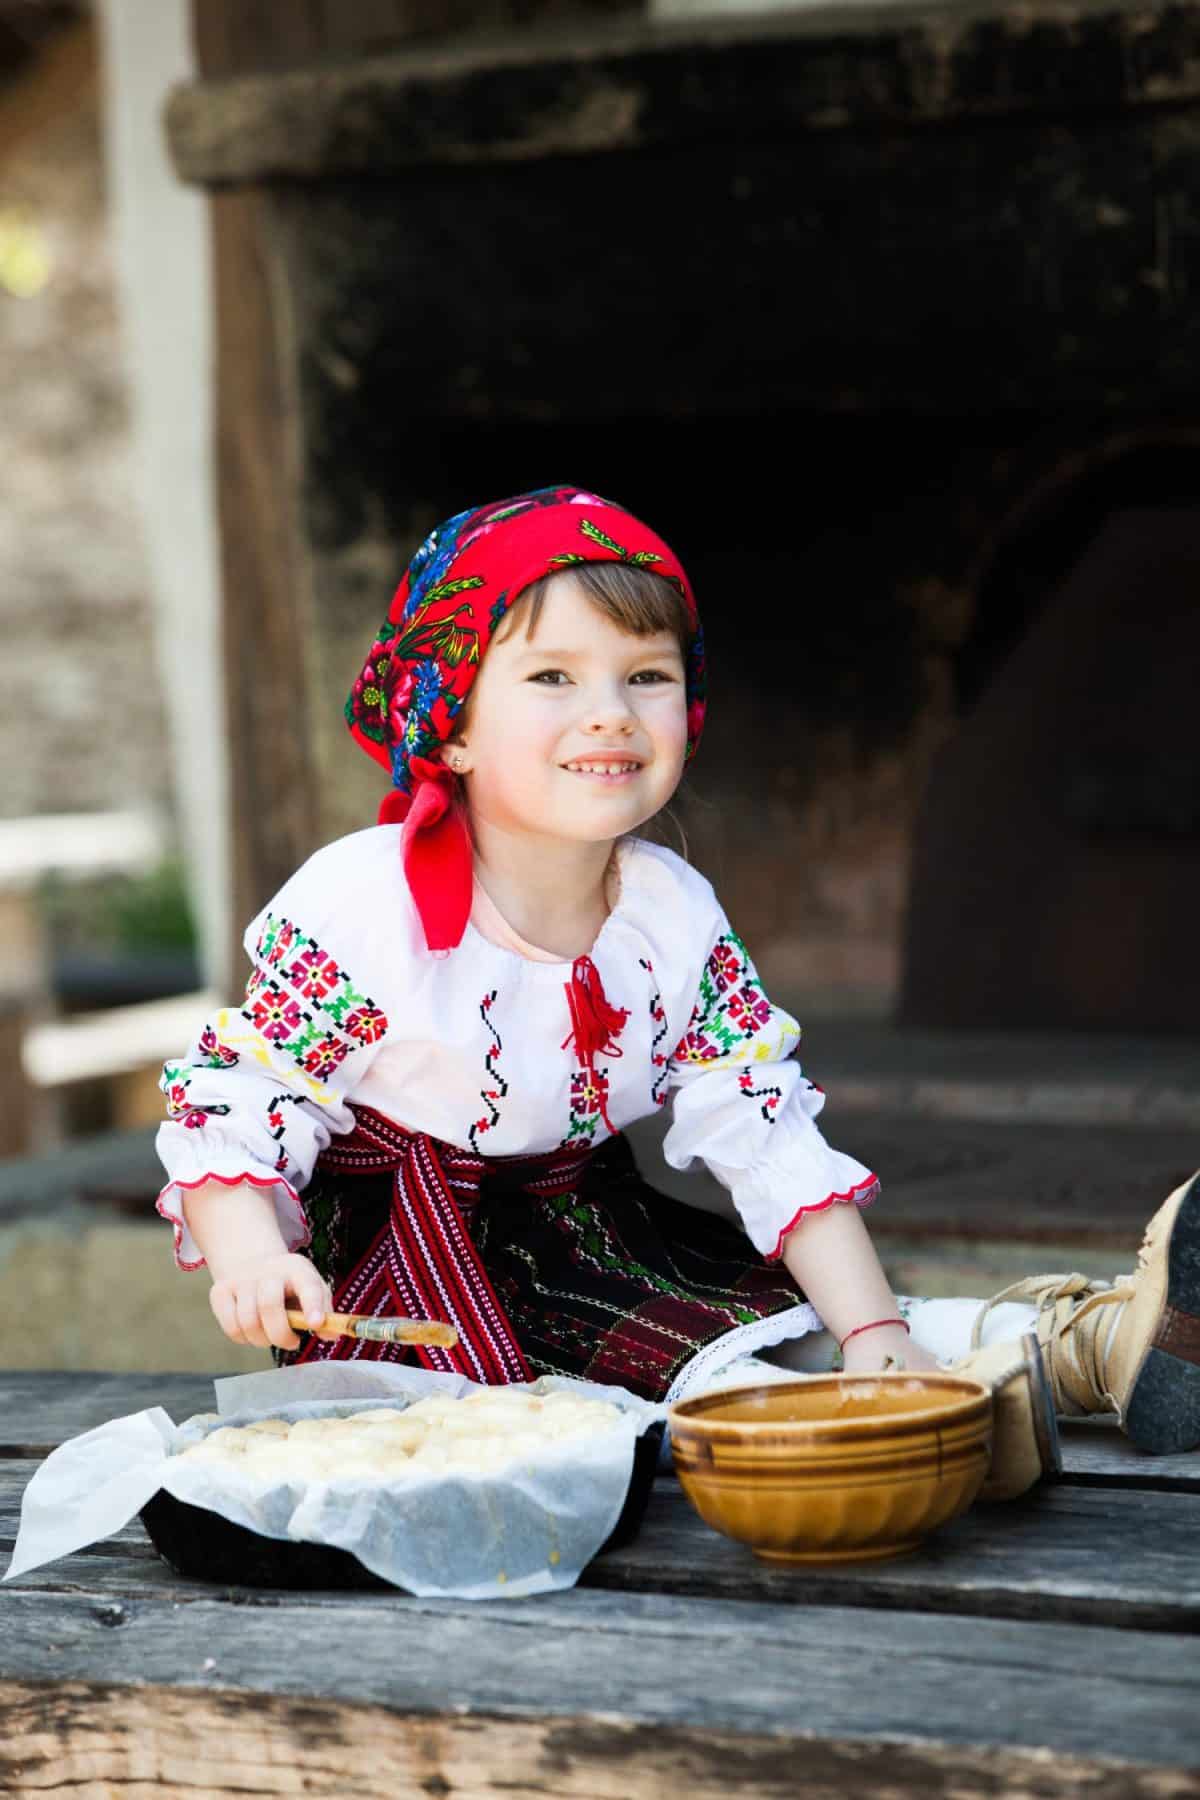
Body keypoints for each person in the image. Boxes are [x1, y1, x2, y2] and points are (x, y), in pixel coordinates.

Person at [155, 485, 1200, 1491]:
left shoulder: (669, 913)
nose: (610, 713)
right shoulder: (364, 907)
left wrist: (873, 1327)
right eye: (553, 677)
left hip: (589, 1220)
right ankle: (948, 1420)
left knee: (779, 1314)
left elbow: (764, 1132)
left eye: (646, 675)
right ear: (452, 726)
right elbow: (238, 1094)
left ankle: (1089, 1350)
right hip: (401, 1260)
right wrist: (249, 1251)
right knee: (693, 1383)